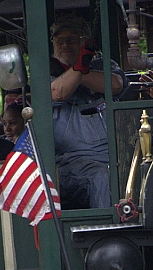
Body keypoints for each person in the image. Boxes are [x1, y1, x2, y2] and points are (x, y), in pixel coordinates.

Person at [49, 14, 126, 209]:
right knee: (99, 176)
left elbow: (115, 84)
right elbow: (58, 92)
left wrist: (79, 70)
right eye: (60, 40)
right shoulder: (46, 71)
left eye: (72, 39)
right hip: (68, 164)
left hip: (115, 156)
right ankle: (107, 234)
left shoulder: (102, 65)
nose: (66, 44)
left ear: (84, 43)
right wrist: (79, 68)